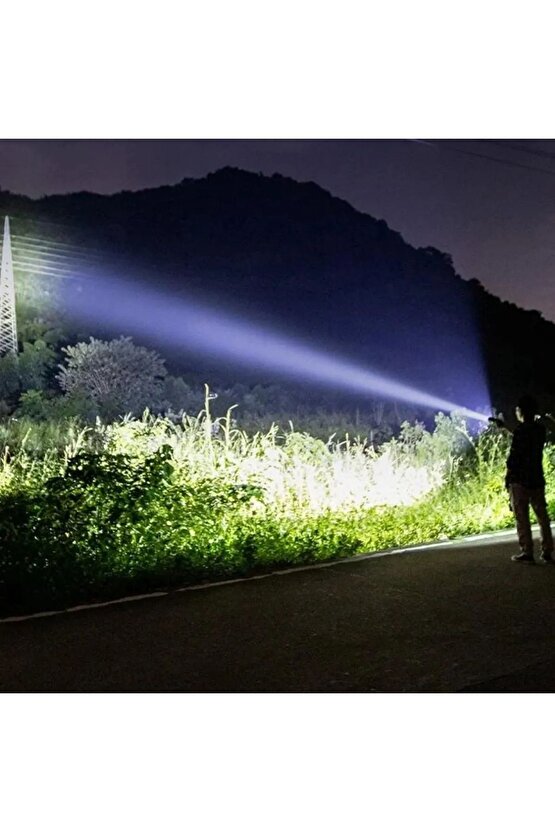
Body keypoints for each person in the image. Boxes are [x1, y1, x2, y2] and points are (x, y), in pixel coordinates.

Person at [491, 395, 553, 563]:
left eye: (518, 410)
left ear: (522, 412)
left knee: (522, 516)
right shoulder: (539, 431)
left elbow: (515, 456)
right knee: (542, 516)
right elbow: (525, 433)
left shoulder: (521, 432)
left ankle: (527, 551)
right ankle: (547, 551)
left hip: (520, 479)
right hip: (536, 478)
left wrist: (508, 477)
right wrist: (505, 427)